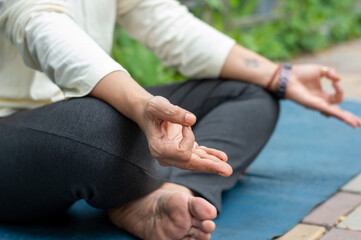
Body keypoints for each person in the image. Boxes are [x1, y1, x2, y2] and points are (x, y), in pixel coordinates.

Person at [0, 0, 360, 239]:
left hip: (76, 106)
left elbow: (166, 22)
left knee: (249, 92)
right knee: (103, 126)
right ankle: (137, 181)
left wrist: (279, 76)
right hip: (12, 132)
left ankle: (170, 192)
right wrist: (140, 104)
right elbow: (36, 23)